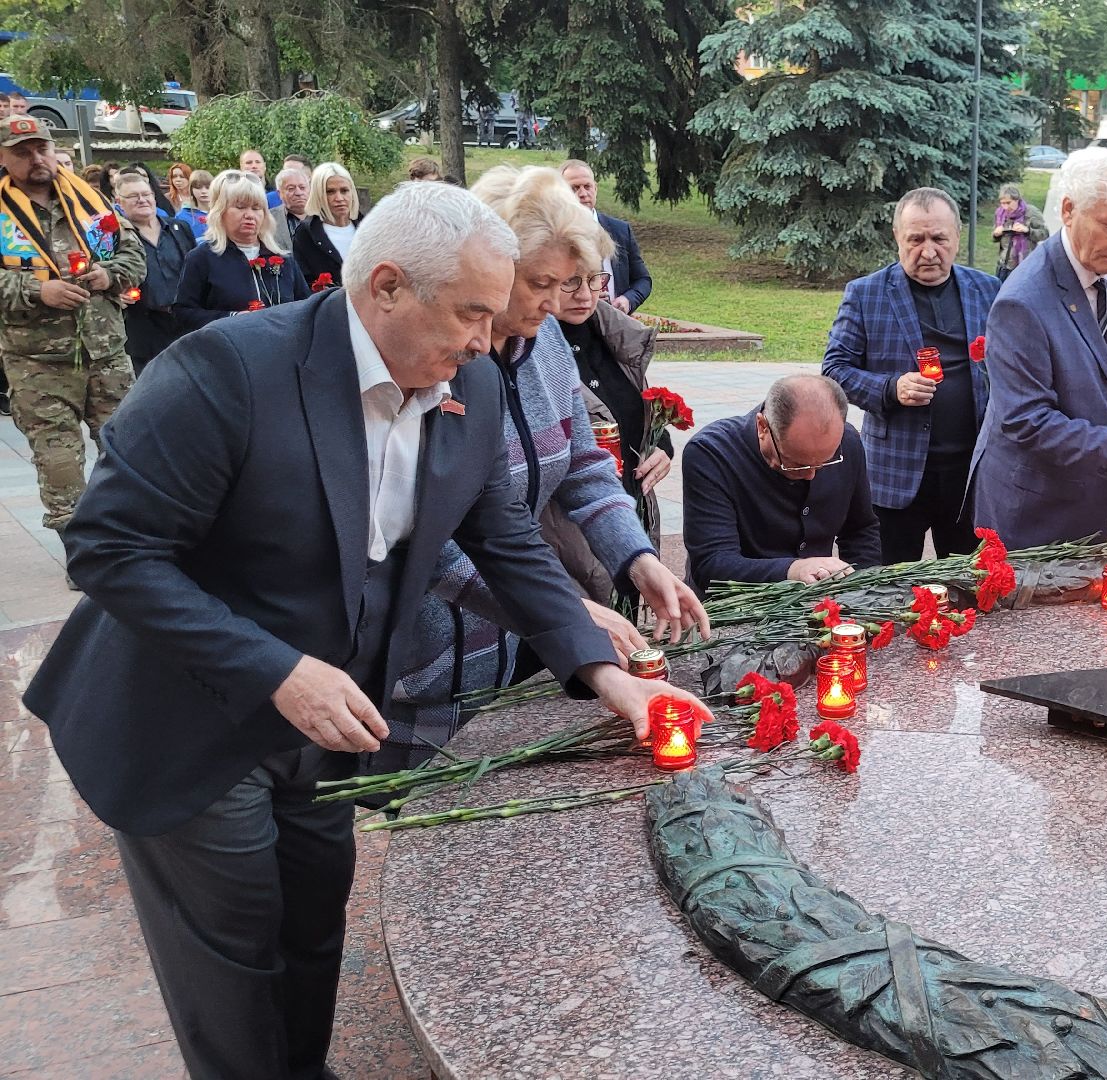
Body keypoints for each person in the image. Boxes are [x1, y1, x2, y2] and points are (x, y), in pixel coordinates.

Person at [23, 178, 709, 1080]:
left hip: (331, 722)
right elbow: (108, 551)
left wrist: (608, 676)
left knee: (314, 931)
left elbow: (503, 540)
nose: (486, 340)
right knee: (234, 966)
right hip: (189, 719)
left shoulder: (468, 384)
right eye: (470, 313)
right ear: (385, 286)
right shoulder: (227, 371)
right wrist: (279, 670)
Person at [377, 164, 708, 771]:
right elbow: (433, 535)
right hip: (425, 657)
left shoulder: (545, 343)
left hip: (518, 640)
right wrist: (565, 610)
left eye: (572, 281)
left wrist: (637, 560)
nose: (557, 302)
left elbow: (583, 466)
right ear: (489, 263)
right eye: (540, 282)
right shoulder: (430, 363)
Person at [970, 146, 1107, 550]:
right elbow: (1028, 422)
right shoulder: (1022, 301)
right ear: (1068, 210)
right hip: (1033, 513)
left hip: (1093, 496)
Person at [822, 187, 999, 563]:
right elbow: (834, 370)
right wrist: (890, 388)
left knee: (970, 587)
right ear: (897, 238)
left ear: (957, 235)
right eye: (915, 240)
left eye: (939, 238)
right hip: (896, 475)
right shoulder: (866, 294)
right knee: (889, 592)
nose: (929, 251)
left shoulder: (988, 290)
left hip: (971, 475)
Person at [0, 115, 141, 534]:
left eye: (42, 148)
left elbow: (134, 258)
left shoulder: (91, 202)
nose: (36, 159)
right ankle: (81, 549)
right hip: (38, 364)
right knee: (60, 464)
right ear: (3, 158)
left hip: (107, 356)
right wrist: (37, 291)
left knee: (129, 451)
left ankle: (135, 537)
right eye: (22, 153)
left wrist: (108, 274)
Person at [682, 374, 883, 594]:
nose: (811, 476)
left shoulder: (848, 443)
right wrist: (793, 569)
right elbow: (712, 565)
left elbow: (860, 531)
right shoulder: (712, 453)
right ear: (762, 427)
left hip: (815, 603)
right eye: (796, 464)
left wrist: (862, 592)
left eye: (825, 462)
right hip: (732, 606)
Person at [555, 264, 674, 542]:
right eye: (570, 281)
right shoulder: (528, 351)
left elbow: (628, 411)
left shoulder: (616, 334)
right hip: (572, 538)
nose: (585, 294)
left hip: (633, 526)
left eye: (594, 279)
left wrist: (660, 445)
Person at [174, 170, 312, 330]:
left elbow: (305, 308)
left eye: (256, 208)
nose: (250, 215)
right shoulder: (202, 258)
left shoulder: (283, 259)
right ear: (220, 211)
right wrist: (232, 318)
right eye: (240, 207)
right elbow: (183, 313)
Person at [112, 170, 195, 376]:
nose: (142, 200)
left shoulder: (180, 228)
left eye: (146, 194)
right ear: (119, 202)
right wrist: (116, 293)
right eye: (133, 196)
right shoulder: (114, 238)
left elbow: (197, 272)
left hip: (184, 325)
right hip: (144, 332)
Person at [559, 159, 651, 311]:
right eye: (574, 188)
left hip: (614, 325)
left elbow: (642, 280)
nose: (583, 194)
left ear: (595, 188)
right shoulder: (556, 234)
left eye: (587, 186)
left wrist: (627, 300)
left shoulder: (620, 230)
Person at [292, 162, 358, 289]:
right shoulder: (306, 234)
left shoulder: (366, 226)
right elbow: (303, 284)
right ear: (318, 195)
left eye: (344, 190)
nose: (339, 198)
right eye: (330, 192)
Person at [991, 182, 1043, 279]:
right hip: (1004, 264)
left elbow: (1044, 234)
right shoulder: (1000, 213)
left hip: (1024, 265)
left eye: (1008, 203)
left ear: (1017, 200)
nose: (1005, 207)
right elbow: (995, 237)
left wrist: (1027, 230)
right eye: (1003, 203)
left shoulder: (1031, 212)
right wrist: (996, 234)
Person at [269, 166, 310, 250]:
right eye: (291, 189)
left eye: (302, 188)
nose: (298, 193)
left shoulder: (324, 216)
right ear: (279, 193)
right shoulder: (269, 219)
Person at [174, 168, 212, 238]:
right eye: (198, 187)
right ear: (191, 190)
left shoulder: (222, 213)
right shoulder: (182, 216)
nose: (203, 191)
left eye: (208, 187)